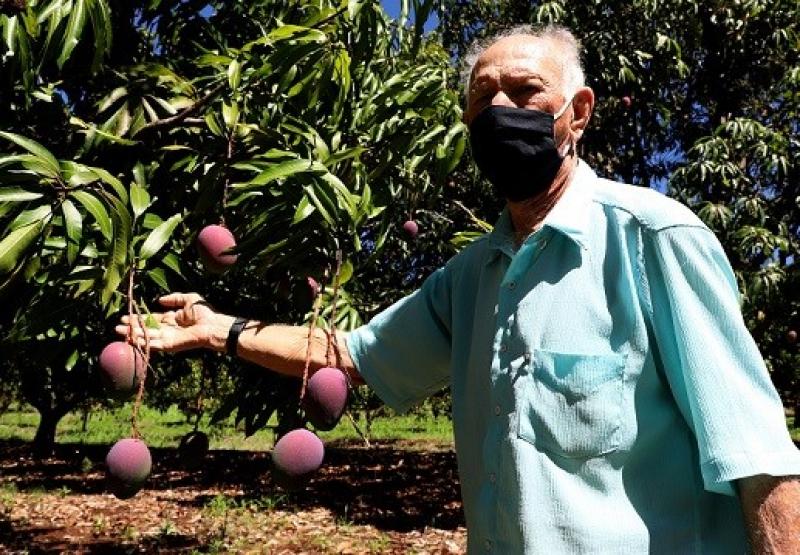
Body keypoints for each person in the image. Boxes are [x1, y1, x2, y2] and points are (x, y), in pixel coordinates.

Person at [119, 25, 800, 554]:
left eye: (525, 91)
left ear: (579, 111)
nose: (501, 108)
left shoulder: (651, 239)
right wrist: (218, 328)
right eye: (482, 99)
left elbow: (760, 462)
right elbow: (351, 353)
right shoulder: (473, 276)